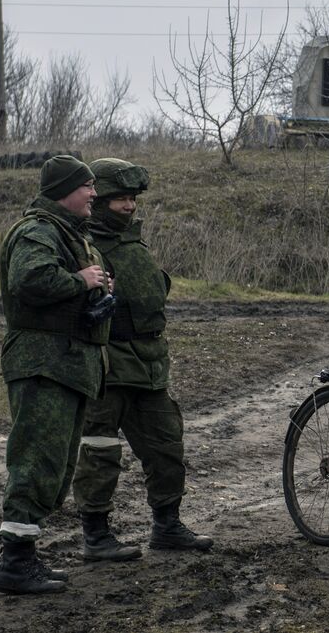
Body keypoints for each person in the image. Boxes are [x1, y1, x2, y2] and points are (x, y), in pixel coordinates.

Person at [72, 158, 212, 560]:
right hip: (109, 367)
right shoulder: (84, 246)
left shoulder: (133, 242)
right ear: (100, 202)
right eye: (119, 199)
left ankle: (167, 526)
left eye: (132, 199)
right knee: (100, 451)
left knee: (167, 446)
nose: (129, 206)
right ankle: (95, 536)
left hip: (150, 364)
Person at [0, 154, 113, 595]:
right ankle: (15, 565)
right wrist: (81, 281)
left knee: (54, 466)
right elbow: (31, 280)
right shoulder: (38, 231)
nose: (94, 194)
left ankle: (24, 559)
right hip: (43, 365)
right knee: (35, 461)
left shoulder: (67, 233)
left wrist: (96, 286)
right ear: (65, 189)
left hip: (64, 366)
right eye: (87, 187)